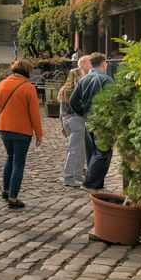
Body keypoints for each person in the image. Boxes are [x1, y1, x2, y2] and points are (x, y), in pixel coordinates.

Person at [0, 60, 43, 209]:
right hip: (22, 131)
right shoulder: (28, 88)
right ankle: (13, 199)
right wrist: (39, 134)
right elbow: (34, 114)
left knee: (10, 157)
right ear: (27, 71)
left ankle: (6, 190)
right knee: (18, 163)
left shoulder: (2, 84)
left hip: (4, 128)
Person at [69, 52, 114, 191]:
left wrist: (83, 112)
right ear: (103, 64)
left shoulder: (84, 79)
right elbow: (112, 100)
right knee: (103, 152)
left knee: (92, 152)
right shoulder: (106, 79)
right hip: (102, 120)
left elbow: (73, 101)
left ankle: (97, 183)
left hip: (89, 120)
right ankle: (89, 183)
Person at [59, 55, 92, 187]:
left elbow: (61, 111)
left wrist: (63, 127)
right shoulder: (79, 90)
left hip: (67, 120)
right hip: (77, 121)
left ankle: (77, 175)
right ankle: (69, 177)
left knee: (77, 150)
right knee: (75, 150)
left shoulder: (64, 90)